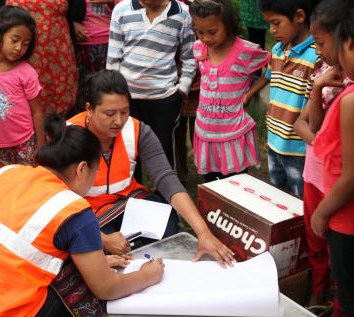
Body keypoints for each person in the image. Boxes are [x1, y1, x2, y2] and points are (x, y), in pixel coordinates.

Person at [0, 113, 165, 317]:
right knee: (82, 290)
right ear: (82, 169)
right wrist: (146, 275)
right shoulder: (73, 209)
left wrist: (100, 263)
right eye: (95, 173)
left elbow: (18, 246)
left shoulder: (5, 174)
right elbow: (106, 288)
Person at [68, 70, 235, 266]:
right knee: (85, 244)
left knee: (169, 225)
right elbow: (54, 199)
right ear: (89, 108)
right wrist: (103, 240)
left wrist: (203, 232)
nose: (119, 121)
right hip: (86, 213)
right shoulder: (69, 136)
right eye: (109, 113)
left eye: (124, 111)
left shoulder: (138, 129)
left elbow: (166, 178)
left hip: (127, 203)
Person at [293, 0, 352, 316]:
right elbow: (303, 124)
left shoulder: (351, 90)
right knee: (316, 242)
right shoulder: (325, 76)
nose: (317, 50)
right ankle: (319, 290)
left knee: (340, 249)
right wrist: (317, 88)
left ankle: (340, 303)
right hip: (315, 176)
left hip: (338, 183)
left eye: (320, 42)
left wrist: (321, 144)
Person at [107, 0, 196, 168]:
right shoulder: (121, 10)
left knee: (164, 150)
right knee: (130, 151)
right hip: (127, 99)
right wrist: (115, 94)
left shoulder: (182, 13)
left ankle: (166, 193)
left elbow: (190, 57)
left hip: (165, 98)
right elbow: (113, 59)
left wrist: (181, 90)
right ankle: (134, 191)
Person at [190, 0, 269, 182]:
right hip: (205, 131)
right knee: (210, 184)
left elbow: (274, 65)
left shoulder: (246, 51)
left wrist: (250, 93)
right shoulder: (199, 48)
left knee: (236, 185)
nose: (206, 38)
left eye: (212, 32)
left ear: (228, 24)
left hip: (232, 133)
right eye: (200, 32)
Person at [311, 1, 354, 317]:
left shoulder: (351, 101)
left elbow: (351, 176)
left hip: (345, 219)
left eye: (323, 43)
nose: (320, 51)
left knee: (348, 293)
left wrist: (322, 214)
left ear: (348, 41)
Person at [257, 0, 320, 198]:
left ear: (299, 17)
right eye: (268, 23)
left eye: (276, 23)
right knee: (276, 197)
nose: (272, 30)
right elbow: (268, 76)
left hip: (299, 149)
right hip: (274, 141)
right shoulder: (277, 50)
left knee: (298, 203)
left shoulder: (317, 56)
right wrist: (250, 94)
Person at [0, 5, 43, 169]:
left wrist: (41, 143)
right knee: (7, 181)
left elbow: (37, 111)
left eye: (25, 44)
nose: (19, 48)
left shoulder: (26, 72)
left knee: (28, 181)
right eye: (14, 40)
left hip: (25, 141)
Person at [6, 0, 79, 116]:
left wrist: (76, 22)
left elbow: (77, 10)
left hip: (59, 57)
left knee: (62, 103)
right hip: (25, 53)